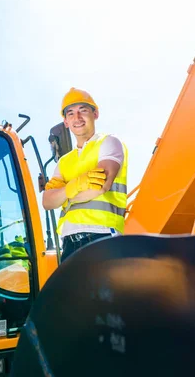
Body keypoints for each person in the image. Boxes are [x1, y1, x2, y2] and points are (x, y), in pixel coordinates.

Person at [42, 87, 128, 262]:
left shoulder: (109, 143)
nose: (77, 118)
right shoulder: (64, 161)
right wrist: (75, 187)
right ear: (65, 122)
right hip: (69, 243)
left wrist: (65, 197)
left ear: (95, 114)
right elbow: (47, 201)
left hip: (102, 237)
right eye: (71, 113)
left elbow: (99, 186)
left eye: (83, 111)